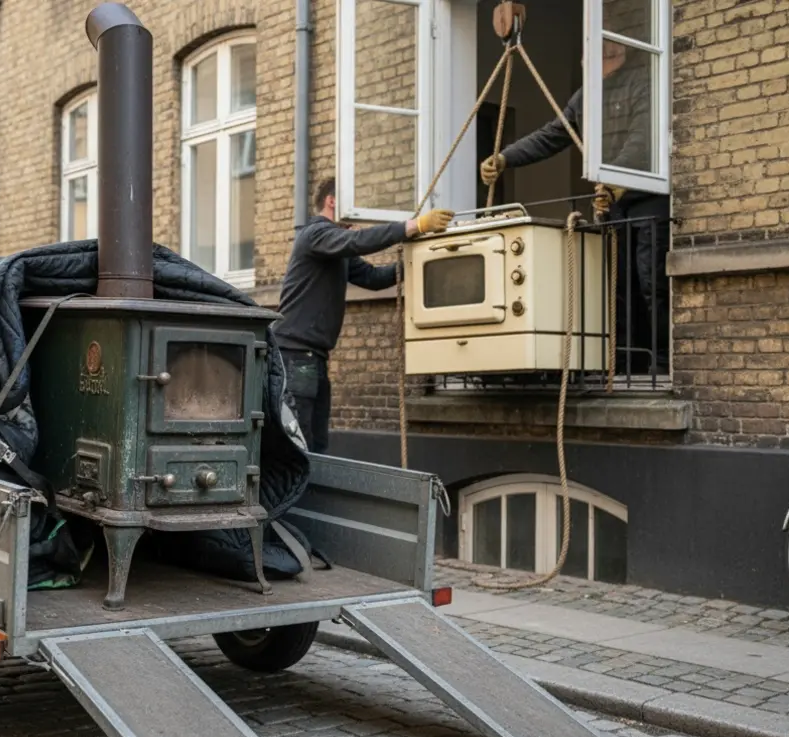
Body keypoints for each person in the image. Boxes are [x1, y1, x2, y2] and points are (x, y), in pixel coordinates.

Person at [479, 40, 670, 370]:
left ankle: (663, 361)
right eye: (594, 54)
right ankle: (622, 362)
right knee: (615, 286)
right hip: (612, 202)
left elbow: (644, 136)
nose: (600, 60)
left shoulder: (643, 83)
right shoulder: (586, 97)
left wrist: (615, 176)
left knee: (652, 282)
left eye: (609, 53)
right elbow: (552, 135)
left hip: (647, 198)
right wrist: (505, 158)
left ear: (622, 53)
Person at [274, 178, 454, 454]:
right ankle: (297, 498)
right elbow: (357, 241)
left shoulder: (338, 252)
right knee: (301, 446)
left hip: (314, 359)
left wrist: (420, 258)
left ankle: (311, 496)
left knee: (317, 446)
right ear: (333, 201)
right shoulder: (316, 234)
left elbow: (374, 277)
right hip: (295, 357)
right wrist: (413, 226)